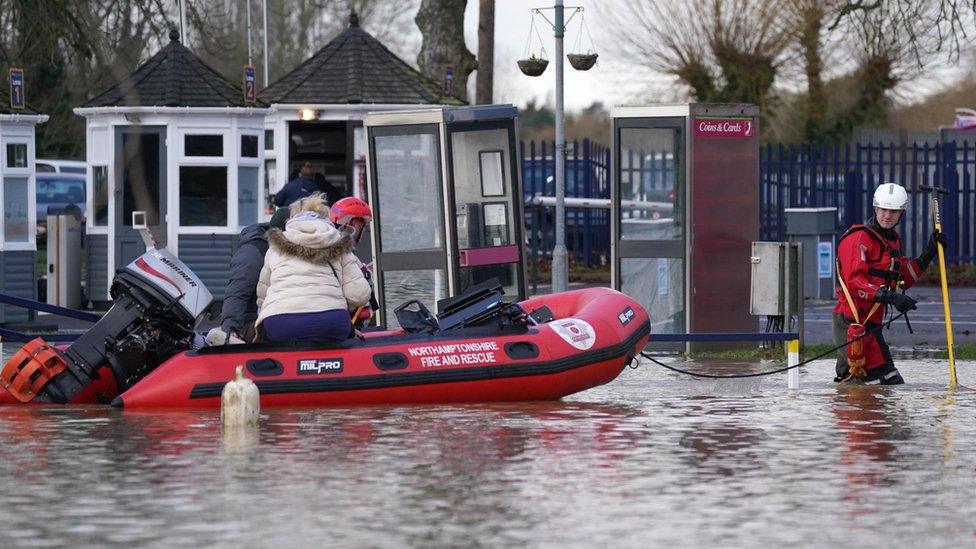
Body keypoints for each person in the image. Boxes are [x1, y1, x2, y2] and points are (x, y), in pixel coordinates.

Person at [833, 182, 946, 384]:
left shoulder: (891, 241)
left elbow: (904, 278)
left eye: (893, 211)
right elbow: (854, 283)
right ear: (875, 208)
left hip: (870, 323)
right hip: (852, 321)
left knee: (863, 383)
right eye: (883, 210)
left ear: (901, 213)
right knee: (882, 381)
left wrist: (929, 253)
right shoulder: (859, 238)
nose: (887, 216)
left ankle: (857, 409)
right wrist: (890, 297)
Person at [255, 193, 372, 342]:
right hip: (332, 322)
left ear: (292, 218)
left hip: (280, 324)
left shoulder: (274, 247)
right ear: (325, 217)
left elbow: (262, 296)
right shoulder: (340, 243)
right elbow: (359, 294)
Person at [206, 207, 291, 345]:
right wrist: (231, 329)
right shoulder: (253, 251)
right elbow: (237, 292)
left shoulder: (280, 250)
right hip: (250, 322)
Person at [330, 196, 376, 327]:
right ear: (355, 223)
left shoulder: (324, 246)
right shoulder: (346, 255)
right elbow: (359, 296)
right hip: (344, 325)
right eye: (363, 225)